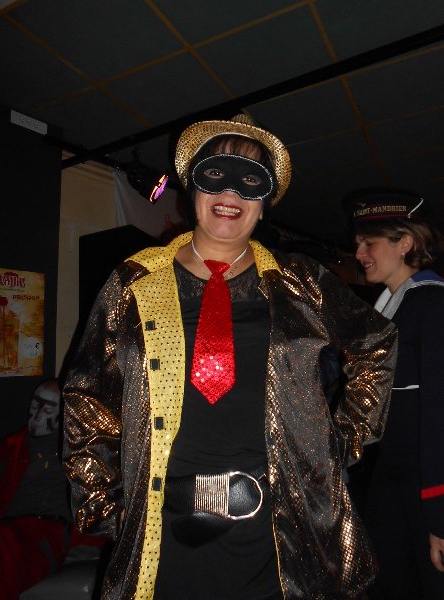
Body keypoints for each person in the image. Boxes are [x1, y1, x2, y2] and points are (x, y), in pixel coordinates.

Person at [62, 114, 397, 600]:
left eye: (250, 181)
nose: (230, 192)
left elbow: (376, 342)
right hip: (161, 528)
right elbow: (87, 394)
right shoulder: (134, 282)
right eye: (215, 174)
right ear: (192, 188)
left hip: (282, 532)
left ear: (264, 204)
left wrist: (341, 441)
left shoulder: (301, 281)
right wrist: (103, 500)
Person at [345, 187, 444, 599]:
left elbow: (439, 417)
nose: (359, 254)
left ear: (404, 244)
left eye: (368, 243)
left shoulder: (432, 307)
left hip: (426, 486)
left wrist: (438, 514)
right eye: (357, 244)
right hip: (391, 480)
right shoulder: (387, 312)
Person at [0, 379, 71, 599]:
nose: (35, 415)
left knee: (2, 543)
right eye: (34, 405)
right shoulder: (12, 446)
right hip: (8, 527)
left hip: (45, 530)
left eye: (46, 409)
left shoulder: (72, 452)